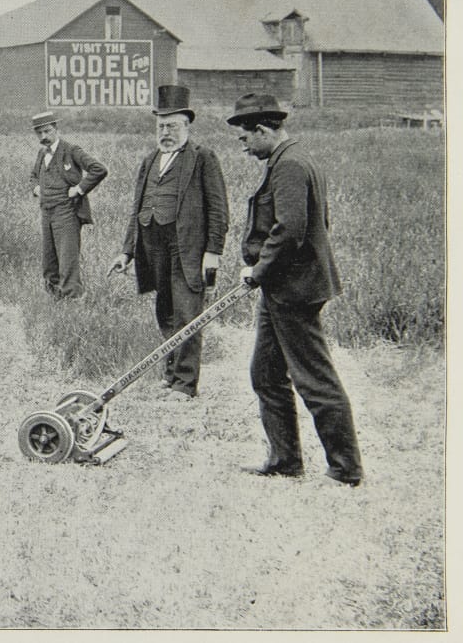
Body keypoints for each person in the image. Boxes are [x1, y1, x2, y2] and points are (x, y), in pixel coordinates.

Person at [228, 92, 364, 487]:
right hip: (283, 288)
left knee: (314, 379)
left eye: (245, 137)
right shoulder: (293, 158)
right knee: (266, 374)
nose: (243, 145)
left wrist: (258, 271)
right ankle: (284, 460)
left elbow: (290, 230)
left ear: (263, 129)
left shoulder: (289, 165)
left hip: (294, 290)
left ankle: (345, 470)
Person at [108, 85, 228, 400]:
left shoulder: (203, 158)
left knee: (188, 314)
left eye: (172, 126)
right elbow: (137, 210)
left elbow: (219, 209)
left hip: (188, 249)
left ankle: (185, 385)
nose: (165, 133)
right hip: (154, 248)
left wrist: (213, 252)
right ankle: (171, 375)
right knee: (166, 312)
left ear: (186, 126)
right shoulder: (149, 160)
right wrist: (126, 252)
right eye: (161, 126)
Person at [29, 111, 107, 298]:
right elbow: (33, 176)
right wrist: (36, 188)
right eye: (39, 133)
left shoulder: (71, 150)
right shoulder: (42, 153)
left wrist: (80, 189)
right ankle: (55, 302)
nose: (43, 136)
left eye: (47, 131)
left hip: (67, 213)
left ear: (56, 129)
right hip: (47, 213)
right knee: (49, 263)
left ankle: (73, 302)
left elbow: (99, 169)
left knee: (67, 262)